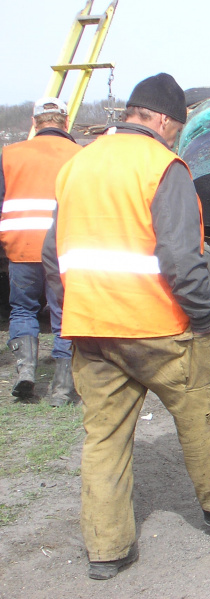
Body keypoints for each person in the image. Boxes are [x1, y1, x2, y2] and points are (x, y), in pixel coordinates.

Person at [41, 73, 210, 580]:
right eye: (178, 128)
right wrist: (203, 316)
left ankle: (106, 551)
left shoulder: (77, 164)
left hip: (91, 328)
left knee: (104, 438)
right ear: (164, 120)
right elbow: (181, 258)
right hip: (157, 328)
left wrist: (65, 317)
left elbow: (51, 255)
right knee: (198, 414)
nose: (176, 136)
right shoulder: (163, 167)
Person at [0, 97, 81, 405]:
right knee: (64, 315)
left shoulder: (10, 154)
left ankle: (25, 372)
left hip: (20, 247)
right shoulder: (79, 156)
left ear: (34, 123)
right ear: (66, 121)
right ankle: (62, 390)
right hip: (62, 249)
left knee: (23, 310)